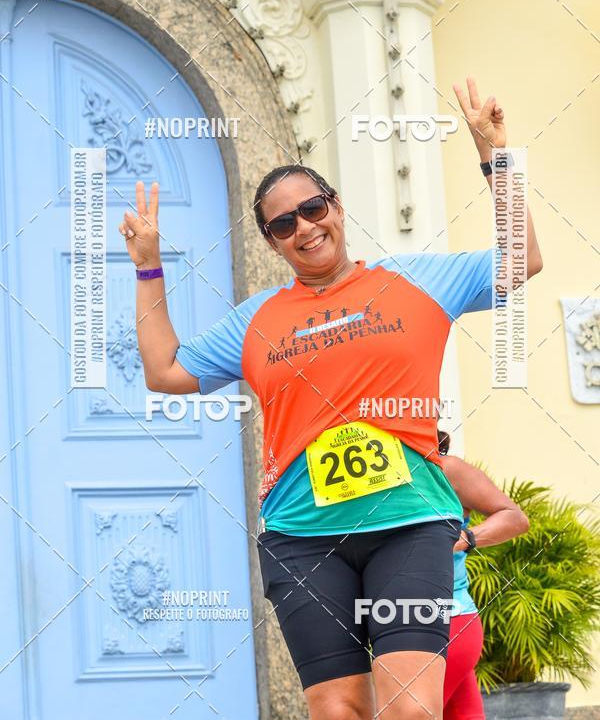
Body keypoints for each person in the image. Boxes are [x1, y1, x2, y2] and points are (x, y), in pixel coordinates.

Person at [118, 78, 542, 719]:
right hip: (303, 537)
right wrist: (149, 266)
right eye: (283, 224)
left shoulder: (418, 280)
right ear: (272, 242)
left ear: (336, 207)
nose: (305, 228)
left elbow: (522, 260)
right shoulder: (257, 319)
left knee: (410, 708)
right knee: (340, 710)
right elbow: (165, 370)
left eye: (312, 208)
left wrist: (495, 155)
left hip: (409, 526)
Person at [438, 430, 530, 719]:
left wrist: (464, 538)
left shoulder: (447, 469)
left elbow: (515, 518)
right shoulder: (376, 475)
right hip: (401, 619)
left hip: (449, 622)